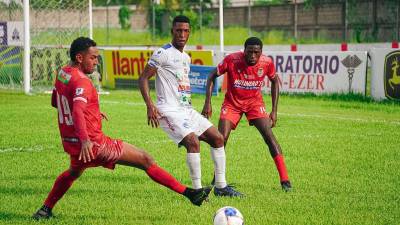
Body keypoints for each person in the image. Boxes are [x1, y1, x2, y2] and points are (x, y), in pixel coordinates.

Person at [32, 37, 212, 220]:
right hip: (93, 144)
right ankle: (191, 194)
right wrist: (86, 139)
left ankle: (45, 209)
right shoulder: (83, 82)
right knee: (145, 159)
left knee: (73, 172)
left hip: (73, 143)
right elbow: (77, 110)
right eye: (93, 58)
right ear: (79, 57)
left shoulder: (63, 73)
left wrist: (92, 113)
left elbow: (56, 102)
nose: (96, 62)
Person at [139, 15, 242, 197]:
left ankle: (221, 186)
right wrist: (150, 105)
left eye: (186, 31)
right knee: (193, 142)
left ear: (189, 33)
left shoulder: (186, 57)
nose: (182, 34)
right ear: (172, 31)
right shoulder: (162, 53)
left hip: (187, 110)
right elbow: (143, 78)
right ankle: (197, 190)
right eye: (178, 30)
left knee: (218, 138)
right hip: (169, 110)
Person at [202, 37, 292, 191]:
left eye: (256, 52)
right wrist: (207, 102)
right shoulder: (232, 60)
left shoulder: (267, 63)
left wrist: (274, 111)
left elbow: (275, 81)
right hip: (232, 104)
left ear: (261, 53)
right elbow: (211, 75)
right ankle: (217, 179)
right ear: (243, 51)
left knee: (269, 136)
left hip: (254, 104)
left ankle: (285, 181)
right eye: (249, 52)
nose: (252, 56)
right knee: (221, 139)